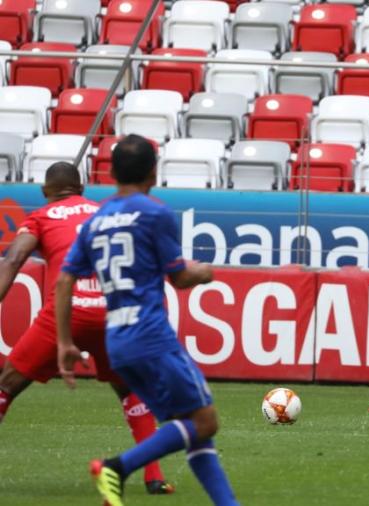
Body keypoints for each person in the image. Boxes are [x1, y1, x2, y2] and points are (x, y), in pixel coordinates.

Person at [55, 135, 238, 506]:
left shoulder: (96, 221)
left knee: (194, 426)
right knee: (205, 421)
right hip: (151, 336)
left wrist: (64, 342)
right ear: (154, 172)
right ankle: (117, 467)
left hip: (118, 342)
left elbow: (63, 280)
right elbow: (180, 277)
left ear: (110, 173)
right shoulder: (154, 213)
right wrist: (204, 272)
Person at [0, 161, 173, 495]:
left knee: (6, 385)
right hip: (113, 311)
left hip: (67, 312)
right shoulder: (105, 213)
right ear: (81, 188)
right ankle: (154, 477)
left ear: (45, 192)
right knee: (131, 391)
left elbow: (13, 260)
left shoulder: (41, 216)